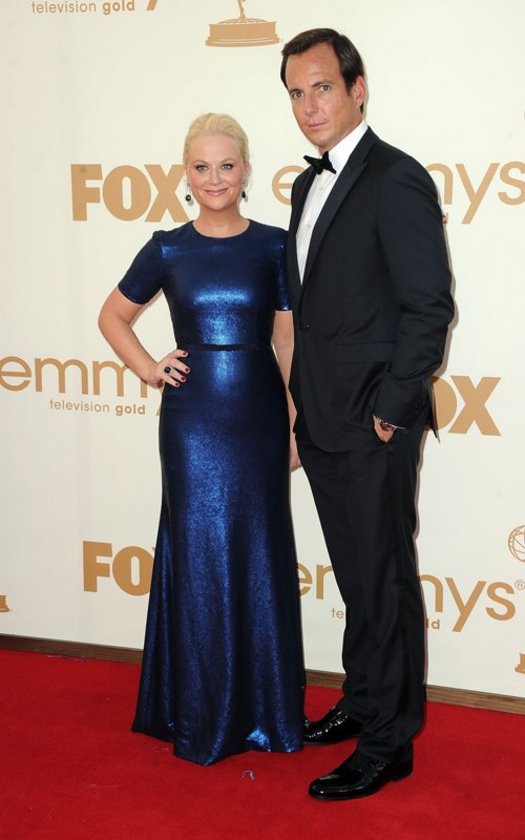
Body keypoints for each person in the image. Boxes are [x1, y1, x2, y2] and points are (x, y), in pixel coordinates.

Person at [98, 113, 304, 766]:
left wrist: (294, 418)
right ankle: (197, 708)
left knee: (259, 548)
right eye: (201, 166)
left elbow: (286, 339)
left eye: (226, 165)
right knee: (197, 552)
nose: (214, 178)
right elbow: (113, 316)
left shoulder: (274, 245)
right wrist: (148, 368)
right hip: (192, 423)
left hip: (258, 413)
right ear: (185, 175)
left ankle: (264, 710)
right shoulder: (167, 248)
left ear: (245, 171)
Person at [280, 29, 454, 799]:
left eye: (320, 87)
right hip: (321, 418)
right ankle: (362, 700)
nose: (308, 106)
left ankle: (389, 742)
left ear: (356, 88)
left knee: (382, 582)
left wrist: (390, 410)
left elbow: (428, 306)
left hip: (371, 423)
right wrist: (297, 405)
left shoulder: (395, 177)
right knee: (358, 578)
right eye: (295, 93)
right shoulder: (304, 185)